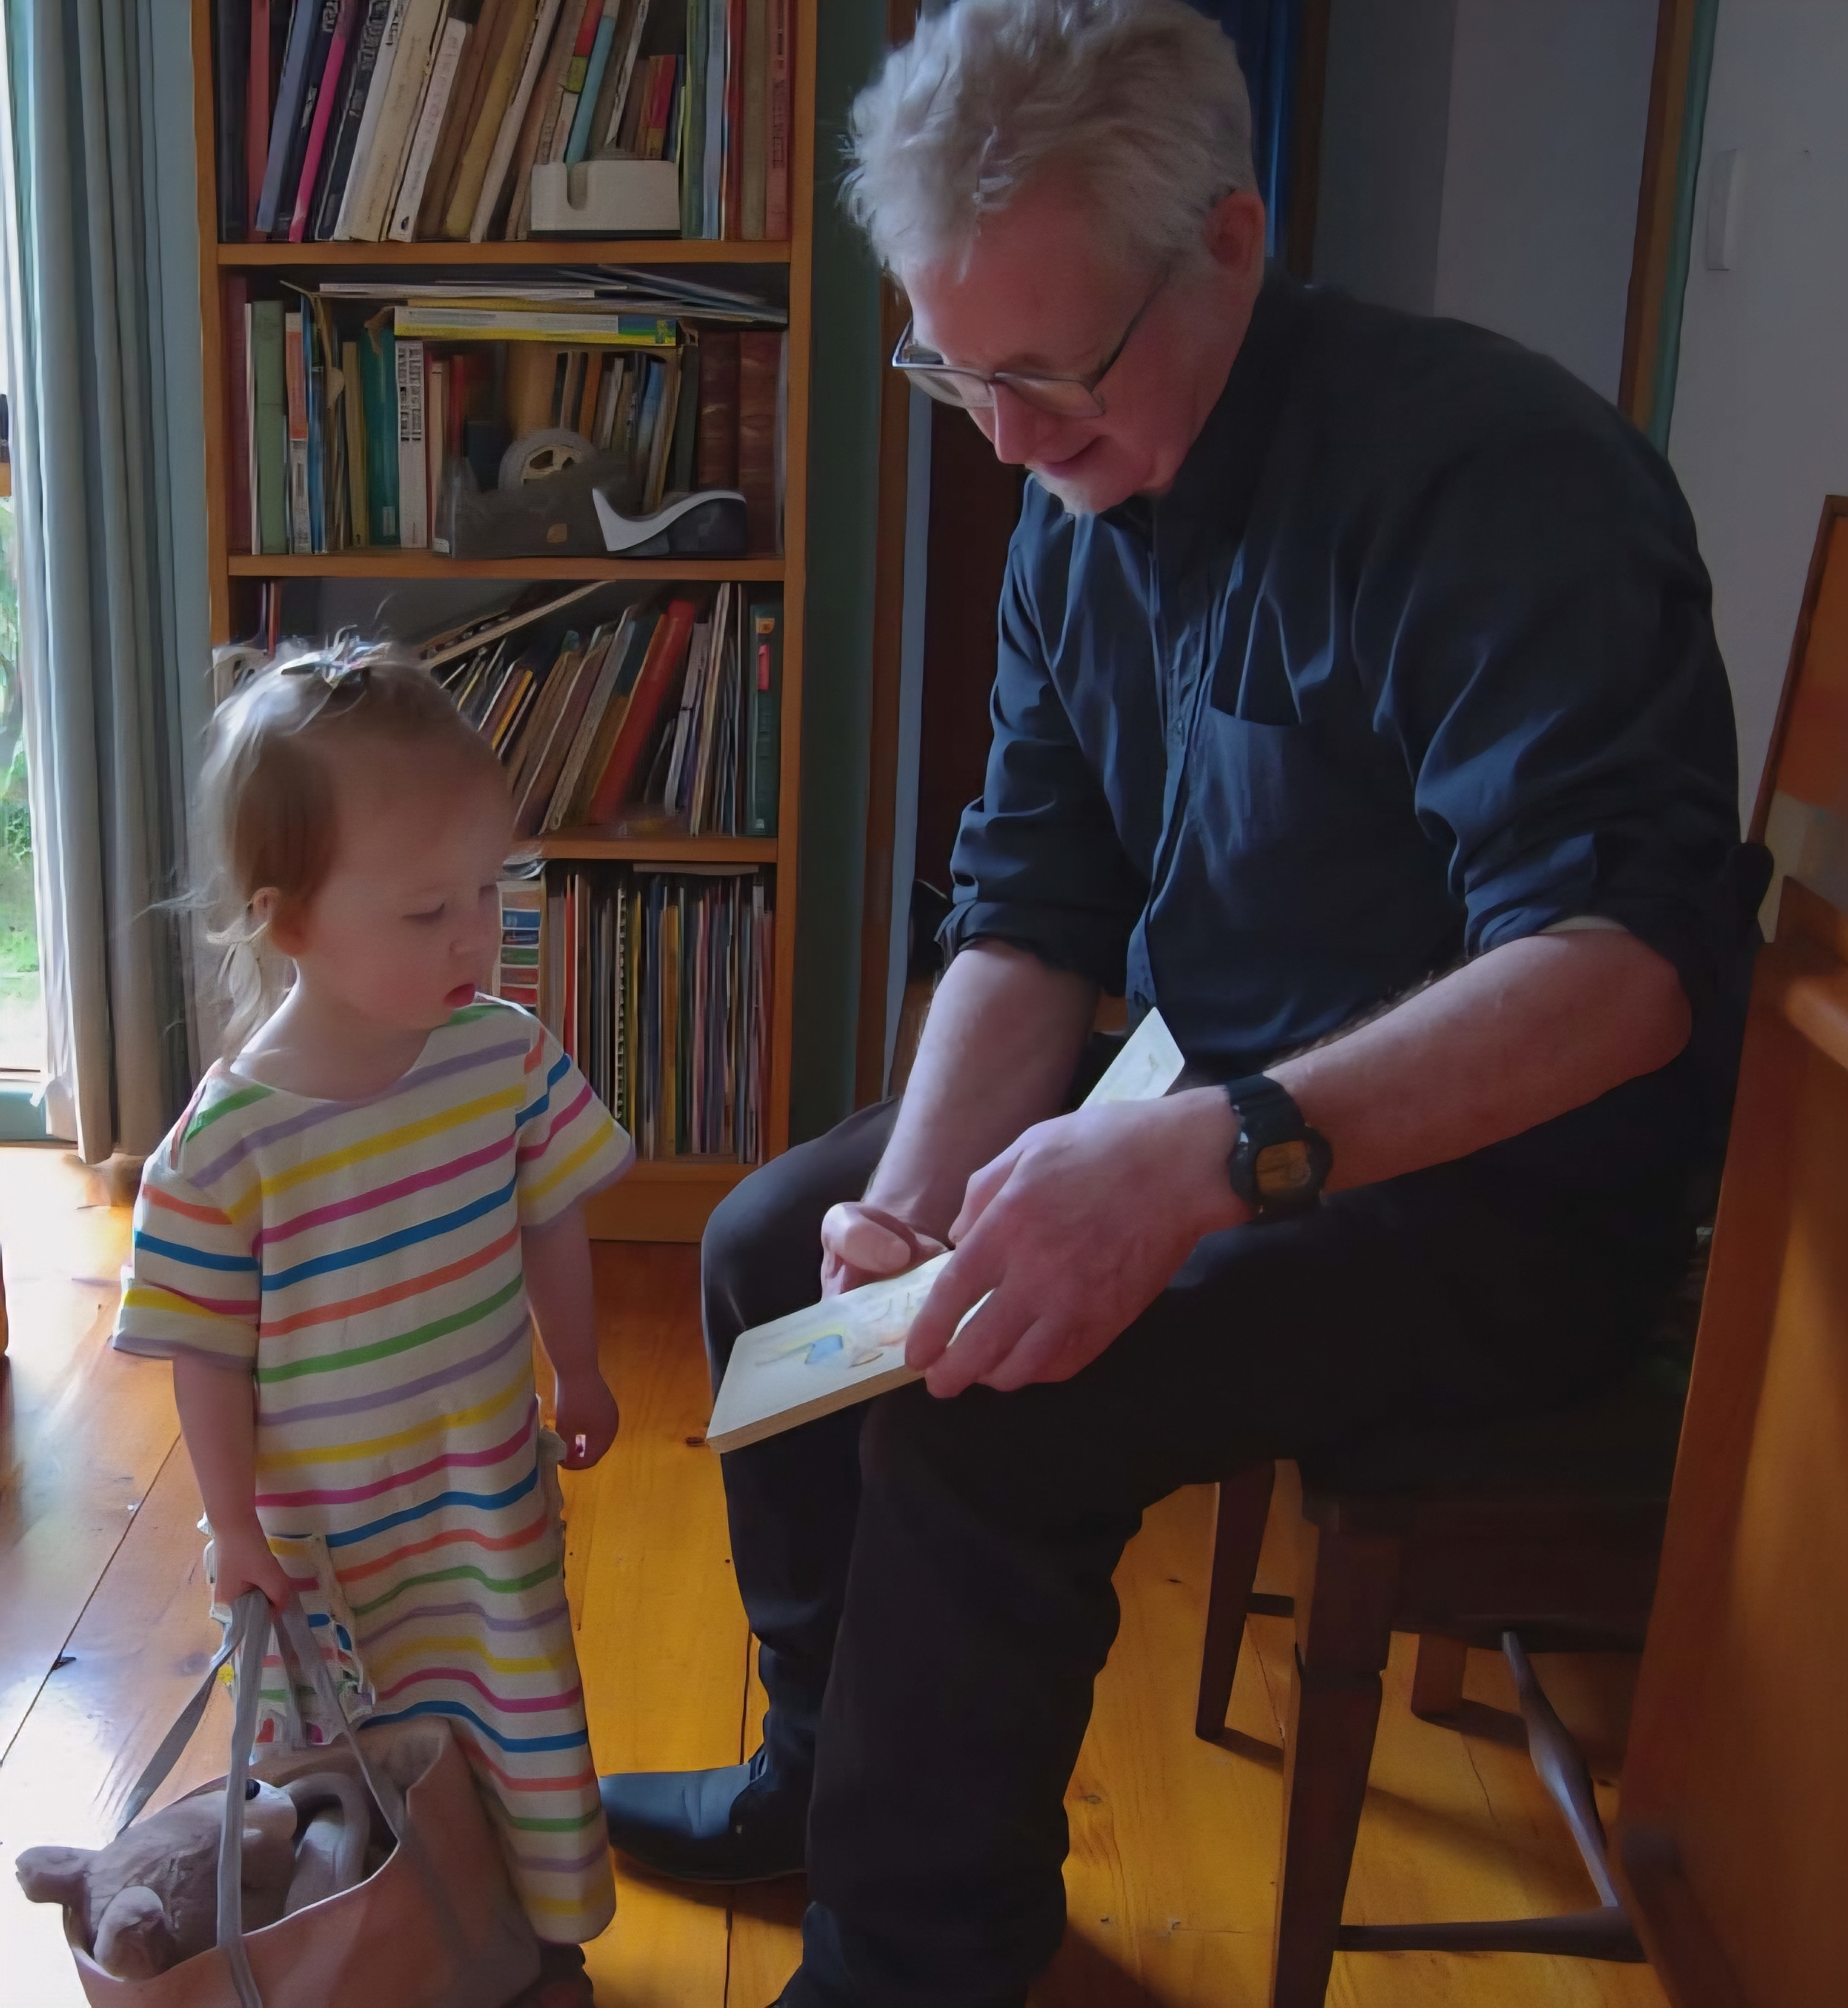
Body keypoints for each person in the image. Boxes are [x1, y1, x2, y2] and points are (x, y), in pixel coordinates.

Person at [599, 1, 1765, 2002]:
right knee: (781, 1252)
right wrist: (936, 1188)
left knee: (1000, 1411)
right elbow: (1033, 910)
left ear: (1231, 241)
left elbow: (1628, 974)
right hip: (1210, 1096)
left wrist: (1200, 1164)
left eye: (1052, 373)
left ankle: (922, 1957)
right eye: (957, 374)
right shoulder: (1074, 507)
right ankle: (824, 1774)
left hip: (1493, 1189)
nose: (1012, 444)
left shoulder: (1495, 483)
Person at [113, 646, 630, 2008]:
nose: (478, 937)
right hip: (324, 1541)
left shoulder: (502, 1056)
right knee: (344, 1749)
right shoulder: (228, 1148)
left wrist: (575, 1363)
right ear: (290, 924)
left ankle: (530, 1940)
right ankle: (380, 1957)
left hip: (481, 1491)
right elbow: (207, 1350)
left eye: (490, 892)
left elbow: (551, 1216)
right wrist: (231, 1527)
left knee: (512, 1707)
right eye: (426, 912)